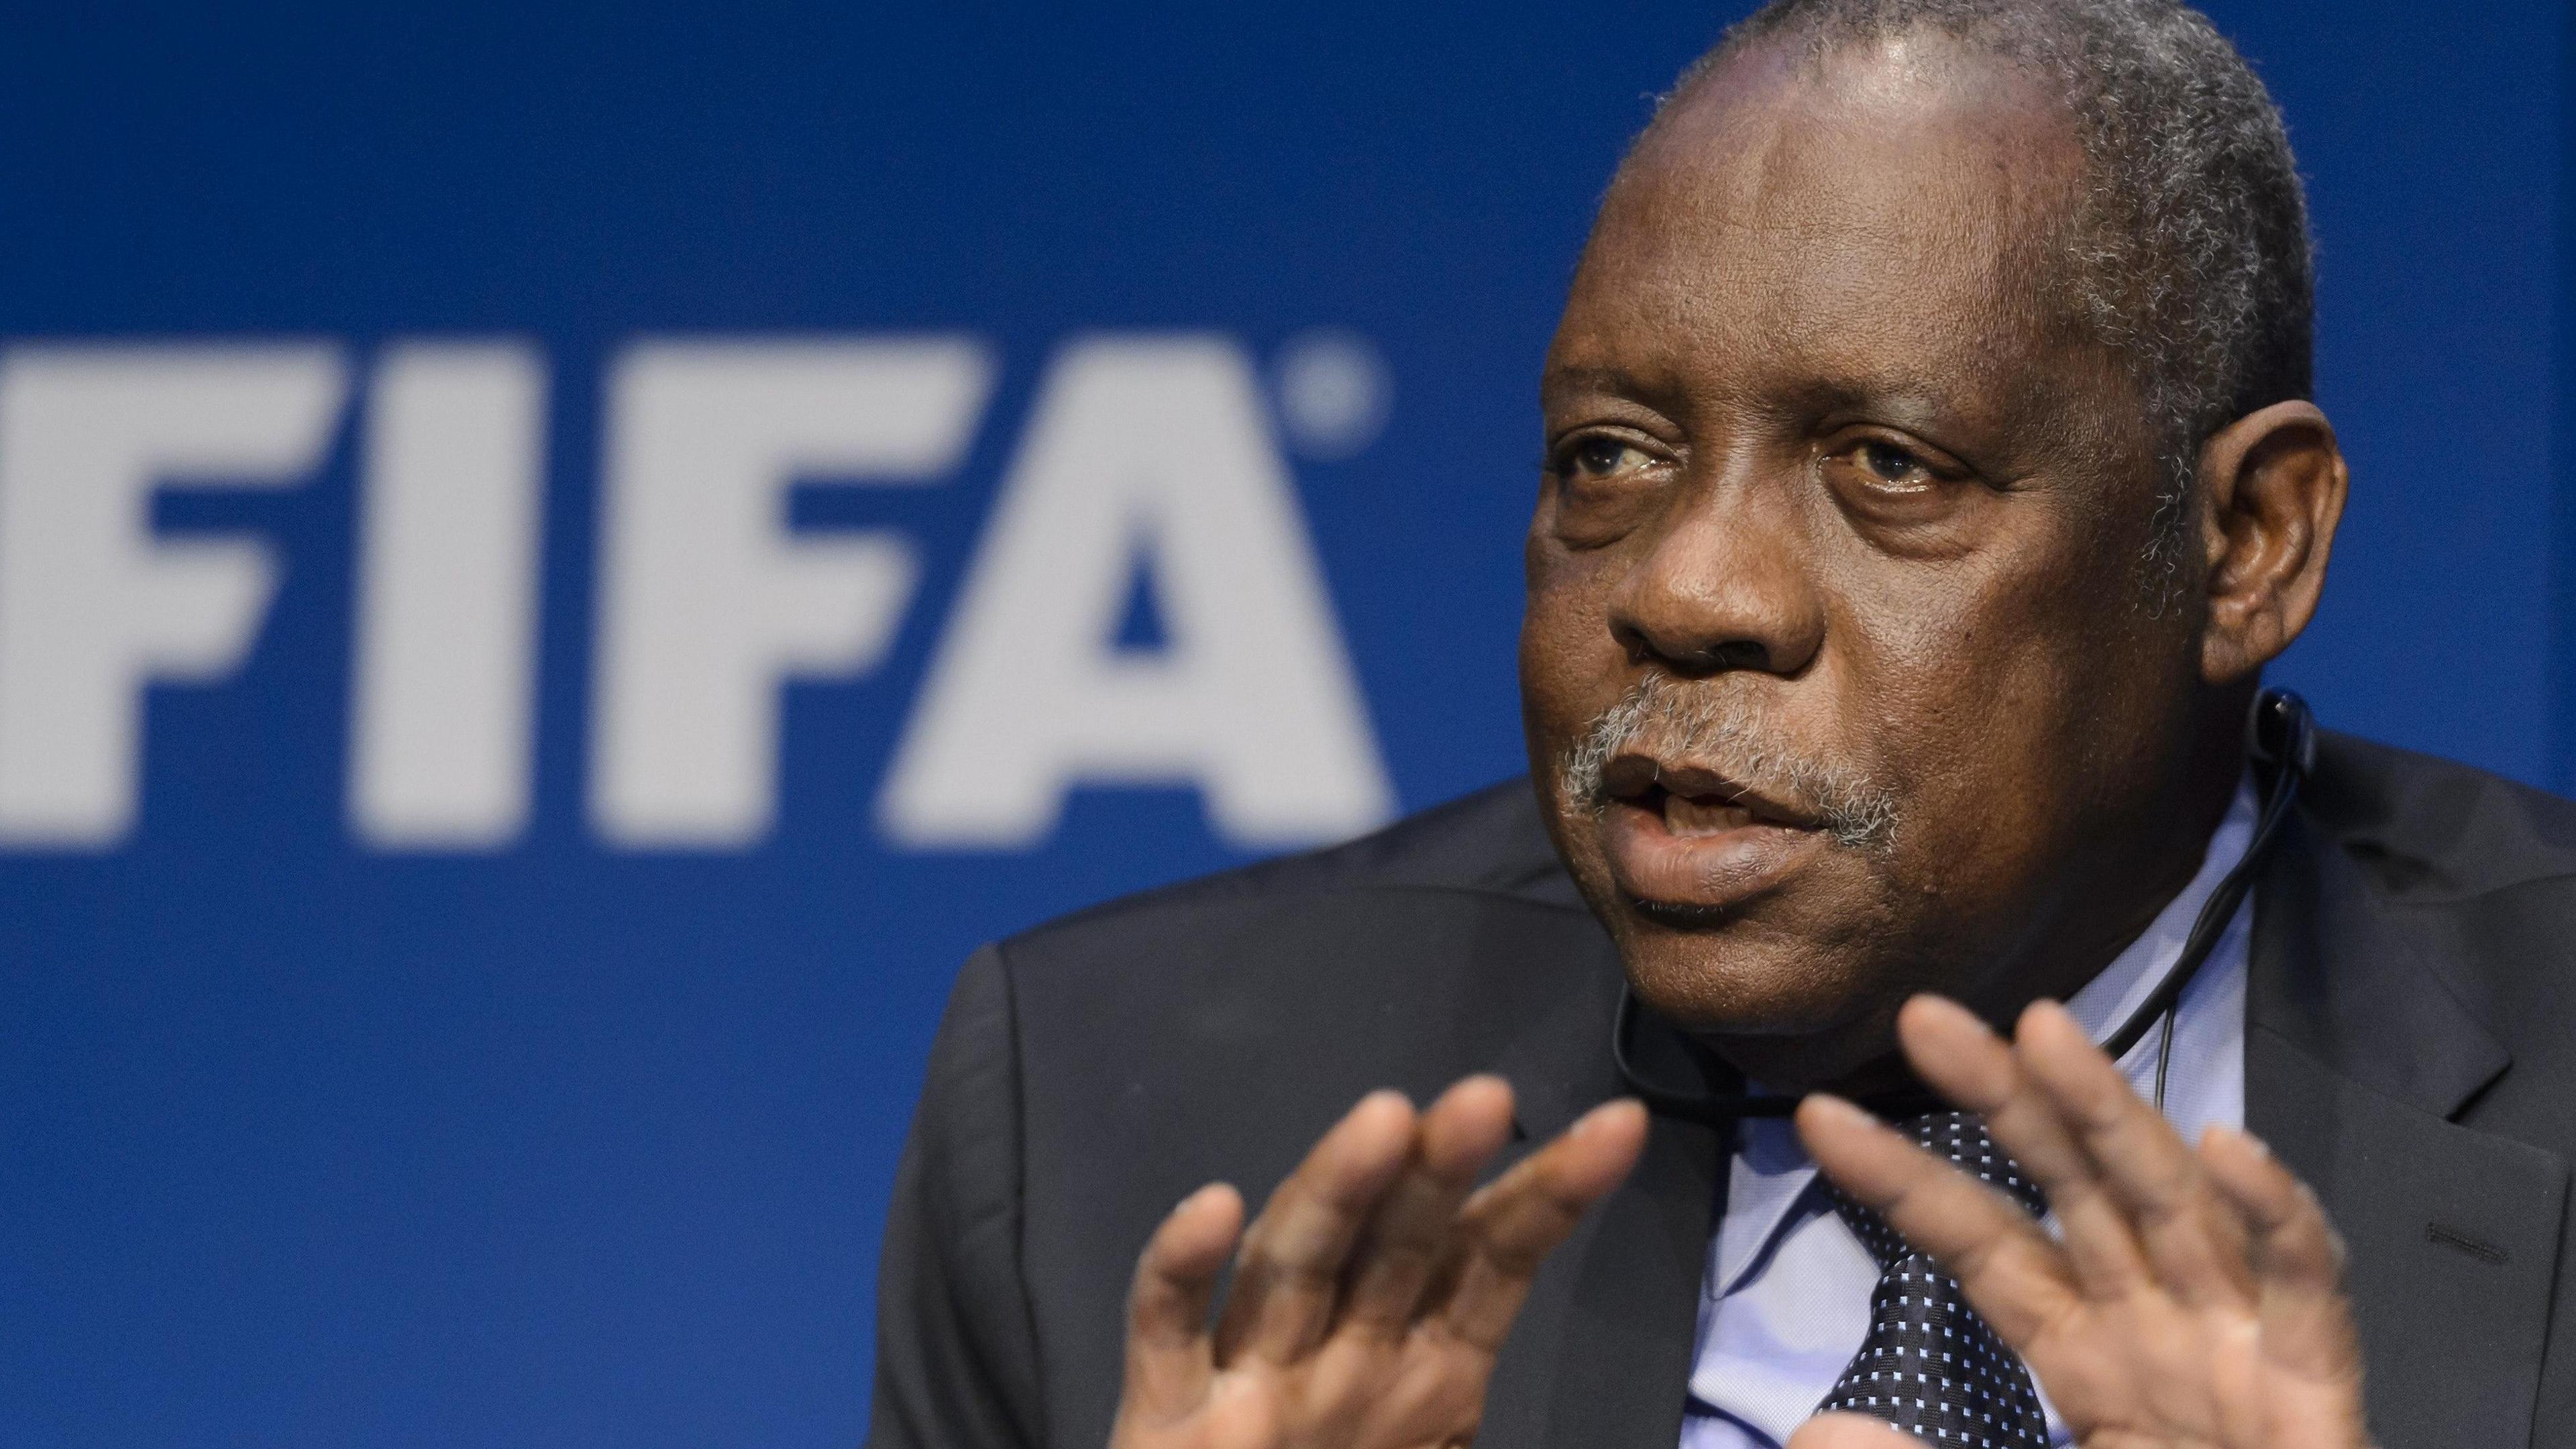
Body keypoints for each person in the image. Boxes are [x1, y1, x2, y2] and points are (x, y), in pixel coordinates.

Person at [867, 3, 2576, 1446]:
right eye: (1611, 455)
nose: (1688, 593)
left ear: (2245, 545)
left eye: (1889, 468)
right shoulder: (1109, 1126)